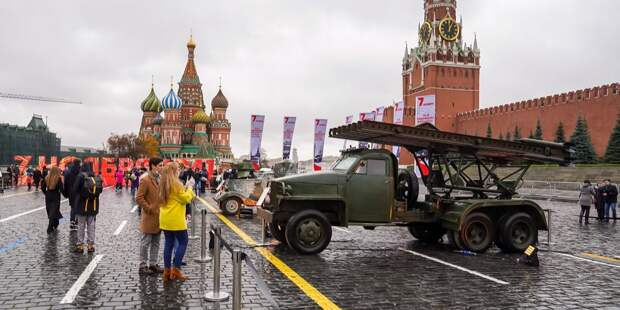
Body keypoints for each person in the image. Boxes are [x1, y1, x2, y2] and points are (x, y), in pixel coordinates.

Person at [159, 162, 195, 283]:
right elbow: (185, 199)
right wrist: (190, 188)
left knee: (168, 244)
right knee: (183, 241)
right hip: (176, 219)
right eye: (178, 169)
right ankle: (176, 269)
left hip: (165, 219)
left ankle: (167, 271)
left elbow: (176, 197)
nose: (180, 170)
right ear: (174, 171)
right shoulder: (176, 184)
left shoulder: (163, 184)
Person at [136, 157, 164, 275]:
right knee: (145, 242)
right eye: (159, 165)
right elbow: (139, 198)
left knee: (156, 242)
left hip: (159, 216)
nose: (161, 167)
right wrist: (148, 208)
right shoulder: (145, 179)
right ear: (153, 166)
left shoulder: (160, 179)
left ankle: (153, 264)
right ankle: (142, 266)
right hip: (149, 216)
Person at [72, 162, 103, 253]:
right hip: (93, 205)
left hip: (82, 205)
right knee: (91, 225)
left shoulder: (81, 176)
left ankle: (80, 245)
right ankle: (90, 246)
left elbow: (74, 189)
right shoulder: (96, 176)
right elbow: (100, 190)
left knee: (81, 225)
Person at [41, 166, 65, 233]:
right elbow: (61, 189)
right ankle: (50, 226)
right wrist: (66, 195)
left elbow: (43, 188)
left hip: (48, 195)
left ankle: (54, 224)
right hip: (56, 195)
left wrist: (46, 194)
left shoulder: (47, 178)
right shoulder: (58, 178)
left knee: (49, 210)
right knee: (54, 210)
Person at [64, 159, 82, 231]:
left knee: (73, 208)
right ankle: (76, 222)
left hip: (71, 192)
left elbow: (65, 183)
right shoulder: (80, 172)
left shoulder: (68, 172)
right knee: (79, 208)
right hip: (79, 192)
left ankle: (72, 221)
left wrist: (66, 193)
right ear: (79, 163)